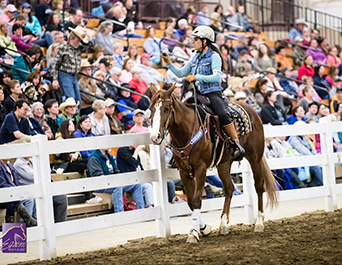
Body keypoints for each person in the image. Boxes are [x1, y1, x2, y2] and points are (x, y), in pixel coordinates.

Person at [162, 26, 246, 159]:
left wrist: (197, 77)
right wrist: (168, 63)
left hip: (213, 94)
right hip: (197, 95)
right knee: (181, 114)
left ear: (205, 41)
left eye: (196, 39)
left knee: (223, 114)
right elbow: (181, 73)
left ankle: (235, 144)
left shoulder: (215, 56)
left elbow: (216, 77)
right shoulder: (194, 56)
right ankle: (178, 150)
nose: (193, 41)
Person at [87, 148, 145, 212]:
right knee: (117, 186)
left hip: (113, 182)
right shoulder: (94, 158)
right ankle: (120, 214)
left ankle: (141, 211)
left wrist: (121, 181)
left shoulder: (110, 157)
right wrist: (116, 182)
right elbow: (99, 178)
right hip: (99, 185)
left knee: (136, 184)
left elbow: (117, 172)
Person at [51, 26, 94, 109]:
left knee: (78, 100)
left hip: (75, 76)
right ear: (72, 38)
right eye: (78, 40)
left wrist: (89, 37)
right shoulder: (63, 48)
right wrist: (55, 79)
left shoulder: (79, 48)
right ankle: (70, 119)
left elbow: (91, 49)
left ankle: (77, 119)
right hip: (65, 74)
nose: (79, 42)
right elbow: (55, 64)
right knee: (71, 98)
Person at [0, 159, 37, 226]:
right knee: (14, 202)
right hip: (5, 195)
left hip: (14, 193)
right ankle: (25, 222)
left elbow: (17, 183)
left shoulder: (11, 166)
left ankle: (31, 222)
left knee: (33, 198)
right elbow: (2, 184)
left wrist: (19, 191)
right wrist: (15, 190)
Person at [287, 122, 323, 187]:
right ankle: (324, 184)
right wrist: (313, 158)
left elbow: (311, 147)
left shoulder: (305, 137)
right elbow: (303, 150)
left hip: (310, 158)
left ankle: (313, 184)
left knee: (322, 165)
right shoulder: (293, 139)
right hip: (301, 160)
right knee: (316, 168)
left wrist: (315, 155)